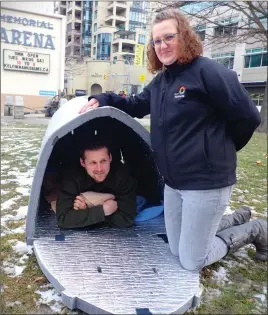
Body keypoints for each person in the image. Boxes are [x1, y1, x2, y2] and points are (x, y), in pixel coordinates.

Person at [78, 9, 267, 269]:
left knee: (191, 260)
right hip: (174, 183)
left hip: (206, 182)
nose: (162, 45)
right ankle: (236, 219)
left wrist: (220, 150)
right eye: (157, 41)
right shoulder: (163, 81)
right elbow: (136, 104)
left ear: (184, 36)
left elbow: (248, 117)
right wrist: (104, 99)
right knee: (176, 248)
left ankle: (256, 229)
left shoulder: (209, 72)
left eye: (169, 37)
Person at [56, 142, 137, 229]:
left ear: (110, 158)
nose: (99, 169)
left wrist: (86, 212)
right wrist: (103, 210)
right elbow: (63, 219)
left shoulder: (122, 176)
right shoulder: (73, 178)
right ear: (82, 162)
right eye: (93, 163)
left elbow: (127, 219)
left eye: (103, 161)